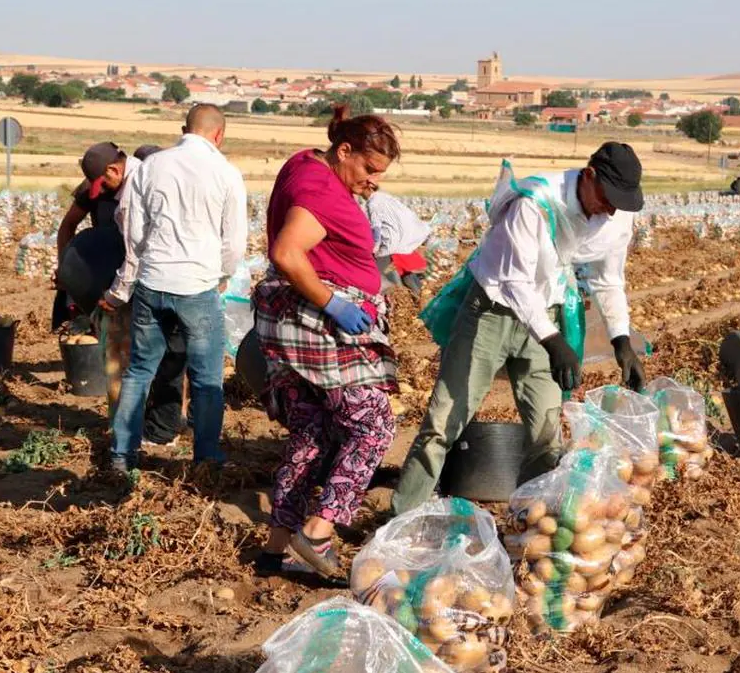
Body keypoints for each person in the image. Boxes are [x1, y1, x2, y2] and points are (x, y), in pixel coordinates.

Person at [390, 142, 646, 516]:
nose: (610, 210)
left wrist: (621, 339)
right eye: (608, 198)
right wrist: (555, 341)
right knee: (444, 423)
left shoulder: (616, 215)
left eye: (620, 203)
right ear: (589, 176)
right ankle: (401, 519)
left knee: (547, 432)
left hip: (546, 317)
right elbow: (514, 282)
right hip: (492, 313)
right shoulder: (534, 202)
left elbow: (608, 280)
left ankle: (530, 526)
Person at [253, 106, 401, 579]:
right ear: (344, 151)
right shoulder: (320, 188)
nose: (373, 182)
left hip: (290, 322)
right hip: (316, 324)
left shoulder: (305, 165)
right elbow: (287, 253)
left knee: (312, 434)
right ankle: (319, 531)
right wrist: (332, 302)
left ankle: (275, 550)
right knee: (372, 425)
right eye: (369, 169)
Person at [104, 104, 247, 472]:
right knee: (206, 379)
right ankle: (206, 458)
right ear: (219, 134)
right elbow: (234, 242)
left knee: (139, 370)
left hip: (152, 282)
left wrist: (133, 277)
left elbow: (133, 231)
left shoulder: (151, 166)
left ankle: (122, 454)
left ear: (184, 128)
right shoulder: (226, 173)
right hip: (198, 287)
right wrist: (222, 275)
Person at [53, 143, 189, 446]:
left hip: (143, 281)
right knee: (118, 355)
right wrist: (67, 269)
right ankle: (122, 424)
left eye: (105, 184)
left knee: (168, 355)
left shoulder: (139, 189)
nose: (103, 190)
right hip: (110, 280)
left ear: (116, 169)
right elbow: (68, 225)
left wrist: (118, 292)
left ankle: (168, 422)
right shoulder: (97, 187)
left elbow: (137, 252)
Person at [366, 190, 431, 296]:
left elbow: (378, 233)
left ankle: (414, 296)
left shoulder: (378, 210)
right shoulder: (394, 212)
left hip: (396, 251)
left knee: (401, 274)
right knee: (405, 274)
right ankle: (416, 296)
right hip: (399, 250)